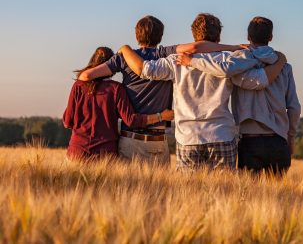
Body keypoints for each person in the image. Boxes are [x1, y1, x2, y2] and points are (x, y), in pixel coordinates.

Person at [118, 14, 286, 170]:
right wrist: (279, 61)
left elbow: (145, 70)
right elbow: (257, 80)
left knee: (189, 197)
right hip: (222, 135)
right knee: (224, 195)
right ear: (218, 37)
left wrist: (125, 49)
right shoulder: (229, 60)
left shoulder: (175, 61)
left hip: (188, 137)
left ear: (194, 35)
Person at [78, 15, 246, 164]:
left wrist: (116, 79)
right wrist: (233, 48)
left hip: (131, 138)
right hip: (160, 140)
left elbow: (86, 76)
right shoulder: (165, 53)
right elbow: (195, 48)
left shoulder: (124, 58)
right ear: (161, 36)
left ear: (137, 36)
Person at [177, 16, 301, 176]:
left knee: (249, 197)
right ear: (270, 37)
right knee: (277, 198)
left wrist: (192, 61)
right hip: (279, 141)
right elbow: (294, 107)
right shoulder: (284, 67)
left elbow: (224, 70)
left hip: (250, 142)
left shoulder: (237, 64)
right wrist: (290, 138)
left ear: (248, 37)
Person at [63, 46, 174, 160]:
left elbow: (67, 122)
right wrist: (161, 116)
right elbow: (131, 120)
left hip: (77, 152)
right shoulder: (116, 89)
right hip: (105, 154)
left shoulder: (78, 86)